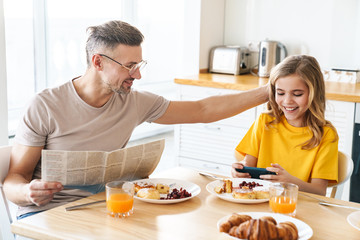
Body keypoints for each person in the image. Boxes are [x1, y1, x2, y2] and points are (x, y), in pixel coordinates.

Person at [3, 20, 268, 219]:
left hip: (104, 210)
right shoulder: (45, 106)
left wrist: (268, 92)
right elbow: (14, 178)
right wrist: (28, 192)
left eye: (139, 65)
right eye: (129, 66)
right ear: (98, 62)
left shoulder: (133, 101)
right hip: (45, 216)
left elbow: (203, 110)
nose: (137, 75)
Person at [231, 55, 338, 196]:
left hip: (298, 206)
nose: (287, 101)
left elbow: (319, 191)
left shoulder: (326, 134)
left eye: (297, 94)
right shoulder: (265, 122)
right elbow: (248, 164)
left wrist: (290, 182)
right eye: (280, 93)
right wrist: (240, 171)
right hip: (259, 201)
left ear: (314, 93)